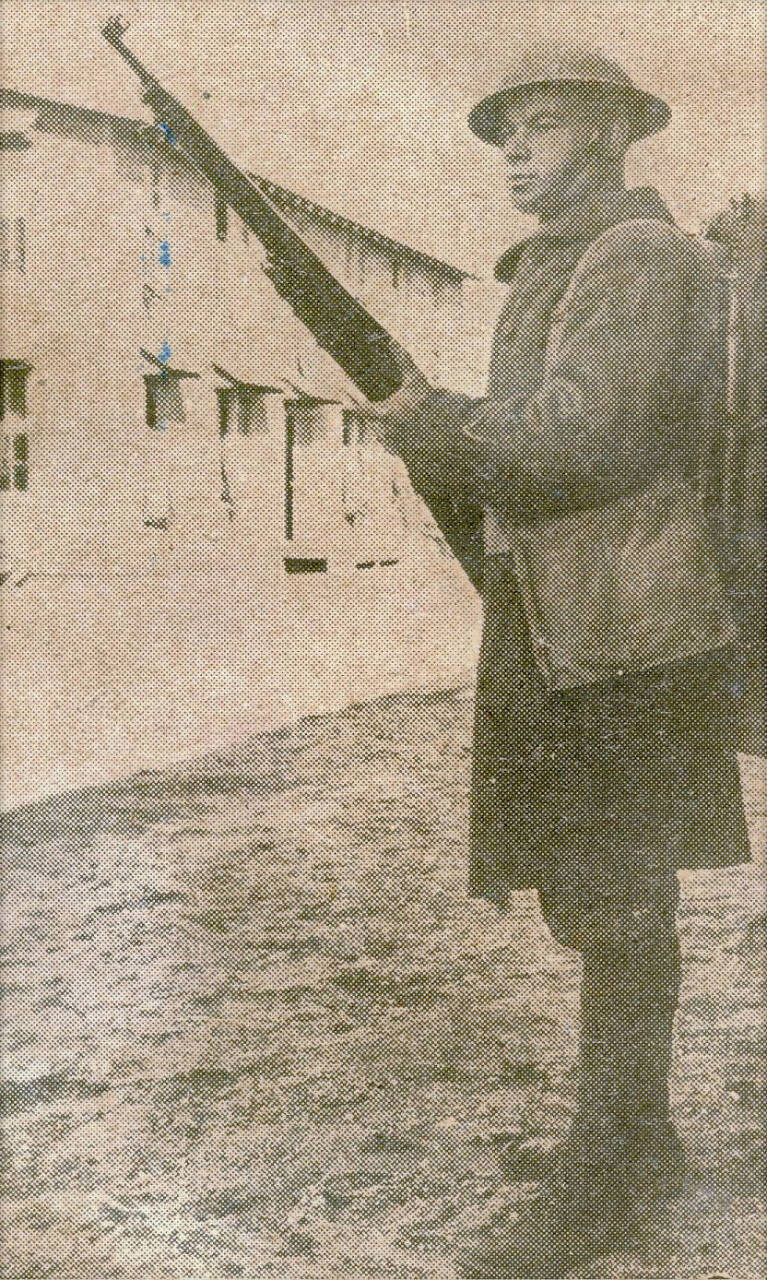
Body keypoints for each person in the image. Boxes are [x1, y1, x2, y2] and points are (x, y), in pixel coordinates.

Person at [360, 50, 751, 1278]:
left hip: (624, 626)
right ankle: (632, 1135)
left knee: (617, 889)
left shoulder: (636, 257)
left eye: (538, 127)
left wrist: (434, 421)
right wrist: (443, 426)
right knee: (597, 887)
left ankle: (612, 1169)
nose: (515, 151)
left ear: (608, 134)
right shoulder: (565, 260)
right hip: (574, 615)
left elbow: (579, 438)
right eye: (507, 133)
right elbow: (531, 446)